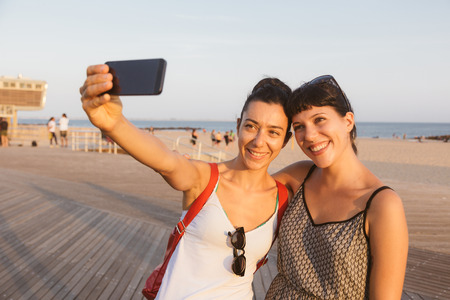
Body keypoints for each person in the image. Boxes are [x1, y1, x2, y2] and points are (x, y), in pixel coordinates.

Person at [79, 64, 292, 299]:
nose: (259, 141)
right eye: (251, 126)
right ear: (238, 125)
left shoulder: (283, 198)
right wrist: (115, 124)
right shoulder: (204, 178)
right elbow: (166, 161)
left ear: (285, 140)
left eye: (273, 132)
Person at [266, 75, 408, 299]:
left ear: (348, 121)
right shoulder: (299, 175)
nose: (309, 136)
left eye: (319, 119)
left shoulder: (381, 204)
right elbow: (244, 189)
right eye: (299, 126)